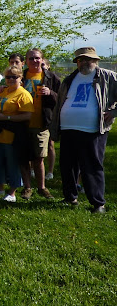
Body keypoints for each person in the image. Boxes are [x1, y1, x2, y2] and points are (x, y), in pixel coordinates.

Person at [51, 47, 117, 214]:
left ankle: (98, 203)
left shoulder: (108, 76)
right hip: (68, 128)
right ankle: (70, 197)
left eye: (88, 59)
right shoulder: (70, 79)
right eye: (81, 60)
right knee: (68, 166)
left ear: (96, 60)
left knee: (92, 166)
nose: (84, 62)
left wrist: (114, 111)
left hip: (92, 130)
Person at [0, 66, 33, 202]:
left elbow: (28, 115)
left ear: (20, 78)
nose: (11, 79)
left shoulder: (23, 94)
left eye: (14, 77)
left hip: (13, 135)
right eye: (8, 77)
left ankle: (12, 193)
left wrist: (6, 117)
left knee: (12, 164)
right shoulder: (3, 91)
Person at [19, 48, 59, 200]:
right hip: (22, 122)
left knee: (39, 158)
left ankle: (42, 187)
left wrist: (50, 93)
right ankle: (27, 187)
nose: (34, 61)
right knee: (23, 157)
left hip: (41, 123)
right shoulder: (20, 76)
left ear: (42, 60)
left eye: (37, 58)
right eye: (31, 58)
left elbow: (62, 97)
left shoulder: (50, 77)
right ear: (26, 61)